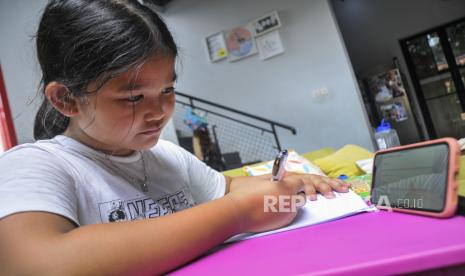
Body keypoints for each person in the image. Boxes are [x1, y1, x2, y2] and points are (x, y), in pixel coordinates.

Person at [0, 0, 351, 274]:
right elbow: (35, 265)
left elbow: (227, 188)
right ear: (66, 99)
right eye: (133, 98)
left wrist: (291, 184)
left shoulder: (167, 156)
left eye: (167, 90)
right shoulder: (35, 165)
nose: (159, 111)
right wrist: (236, 214)